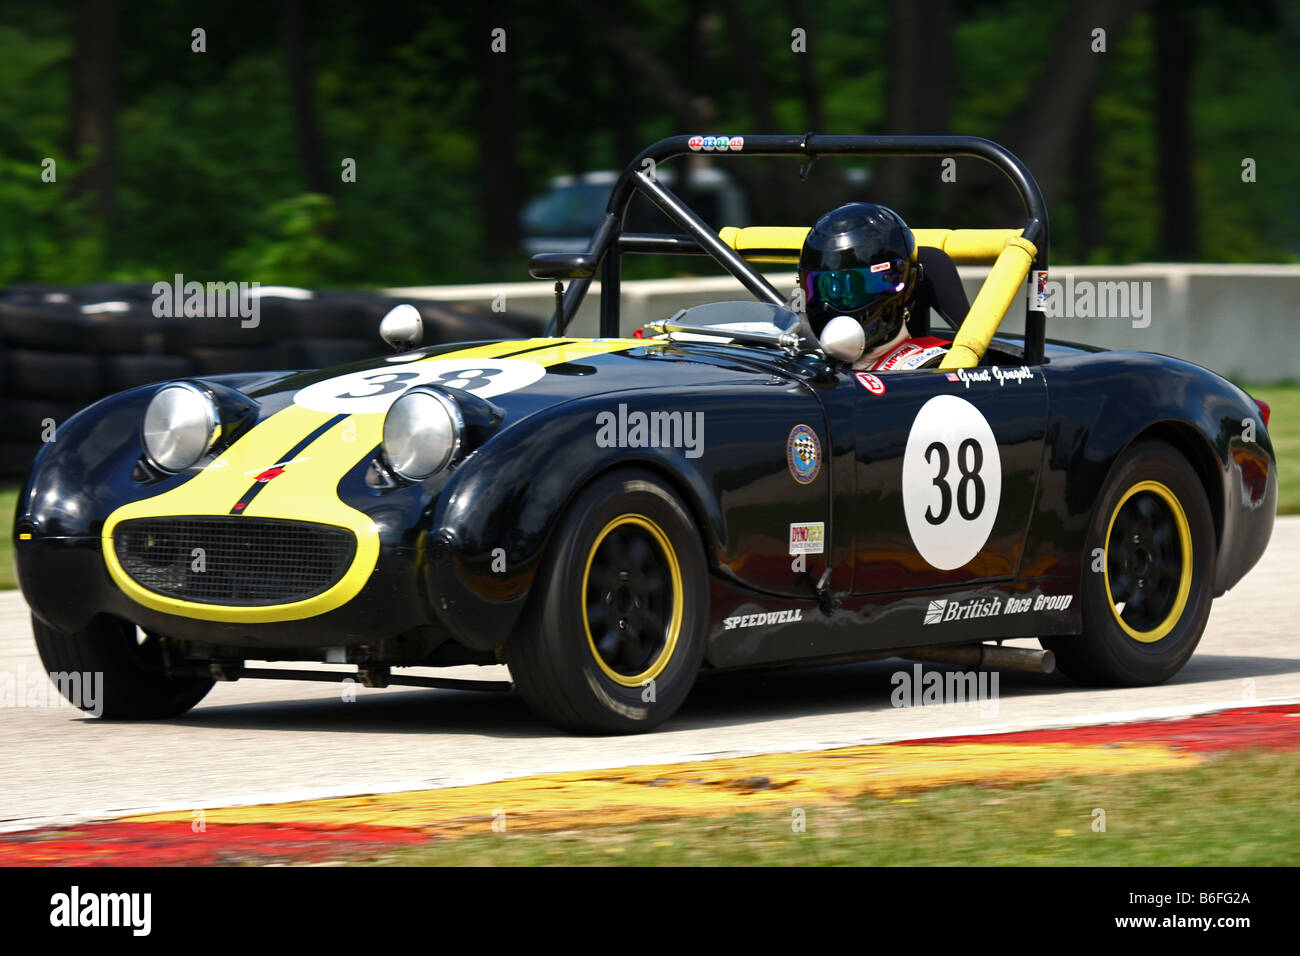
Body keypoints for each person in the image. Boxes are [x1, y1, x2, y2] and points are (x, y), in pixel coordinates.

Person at [798, 202, 970, 371]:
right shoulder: (801, 360)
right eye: (819, 289)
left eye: (852, 289)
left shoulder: (930, 370)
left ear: (898, 282)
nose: (827, 306)